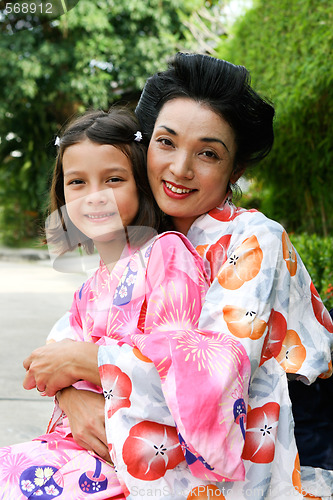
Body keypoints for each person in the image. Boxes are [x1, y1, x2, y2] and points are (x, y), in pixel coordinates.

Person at [20, 53, 333, 499]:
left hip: (263, 448)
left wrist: (87, 364)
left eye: (208, 153)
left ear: (236, 169)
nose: (180, 168)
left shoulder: (254, 239)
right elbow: (68, 339)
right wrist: (70, 395)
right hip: (153, 440)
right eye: (166, 143)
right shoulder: (145, 236)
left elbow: (214, 374)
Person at [0, 106, 251, 499]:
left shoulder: (166, 254)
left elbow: (179, 363)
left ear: (140, 183)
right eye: (77, 182)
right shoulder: (88, 290)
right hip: (86, 447)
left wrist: (83, 370)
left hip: (142, 456)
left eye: (114, 179)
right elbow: (51, 368)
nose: (95, 196)